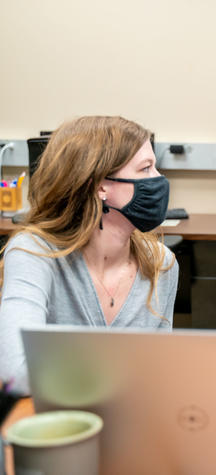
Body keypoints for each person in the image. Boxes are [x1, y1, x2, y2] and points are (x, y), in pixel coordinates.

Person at [0, 116, 178, 394]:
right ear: (100, 185)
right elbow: (17, 373)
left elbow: (160, 372)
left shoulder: (160, 262)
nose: (159, 180)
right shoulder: (34, 252)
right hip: (53, 428)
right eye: (146, 169)